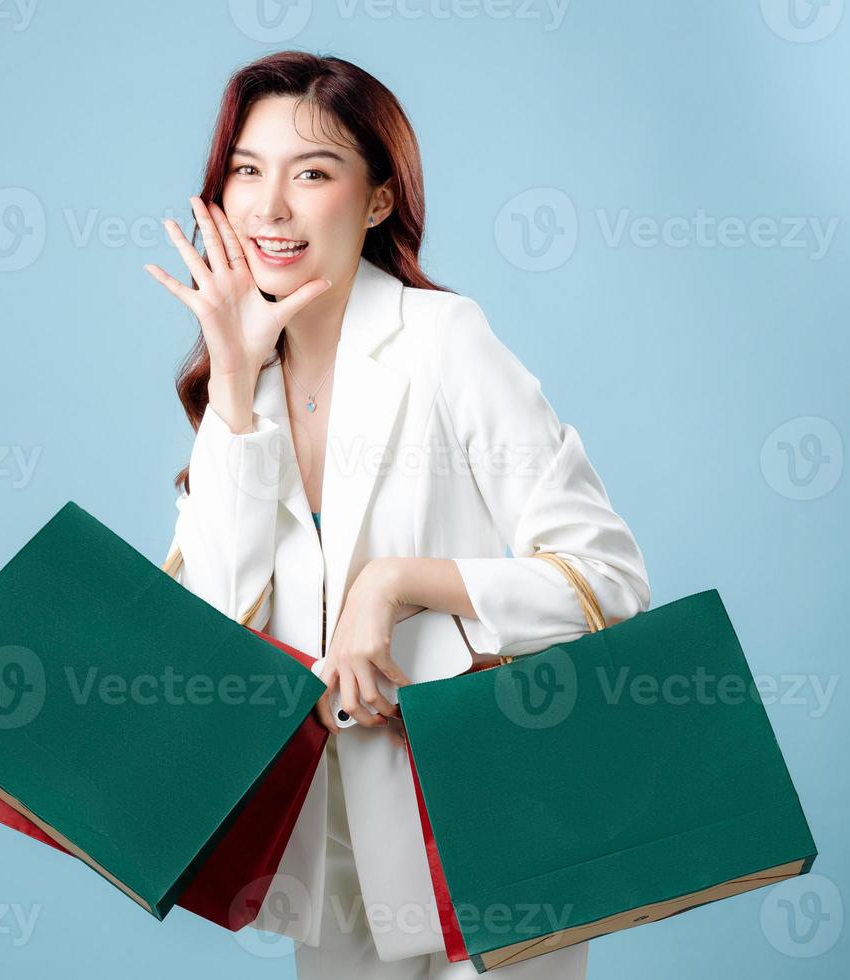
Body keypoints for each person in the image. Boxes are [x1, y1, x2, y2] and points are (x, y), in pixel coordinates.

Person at [147, 51, 648, 980]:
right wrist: (235, 391)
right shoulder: (238, 390)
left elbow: (608, 578)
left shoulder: (442, 339)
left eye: (314, 173)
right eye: (248, 172)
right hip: (329, 857)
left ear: (378, 200)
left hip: (488, 819)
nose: (271, 208)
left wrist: (396, 584)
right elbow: (211, 627)